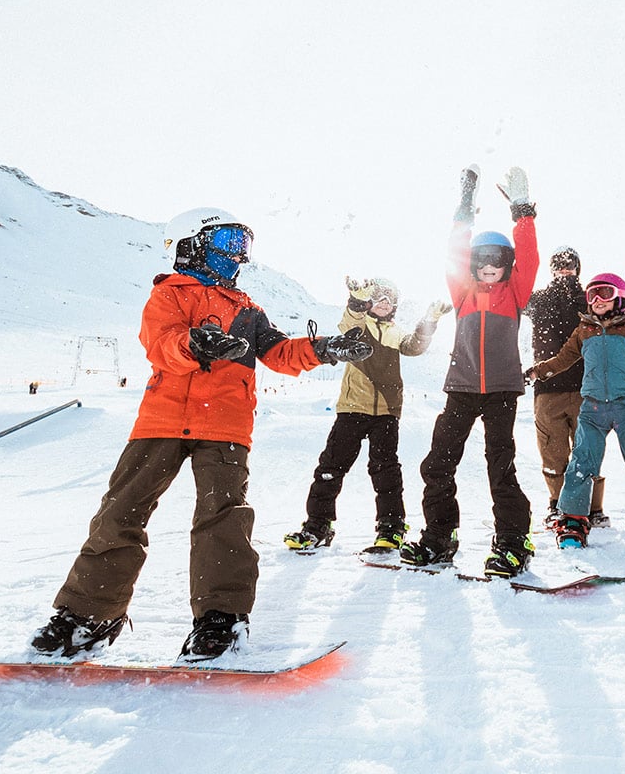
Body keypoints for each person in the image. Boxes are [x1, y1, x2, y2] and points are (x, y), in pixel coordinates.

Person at [30, 208, 373, 660]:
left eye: (243, 246)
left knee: (223, 517)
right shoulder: (168, 296)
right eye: (229, 242)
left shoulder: (248, 310)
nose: (238, 256)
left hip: (226, 425)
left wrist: (324, 348)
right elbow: (162, 343)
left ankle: (220, 618)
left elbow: (279, 353)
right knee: (120, 513)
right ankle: (88, 615)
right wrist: (195, 344)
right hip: (162, 421)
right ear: (191, 245)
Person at [399, 165, 540, 578]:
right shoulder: (462, 292)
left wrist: (522, 210)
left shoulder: (515, 292)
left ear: (507, 265)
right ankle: (440, 538)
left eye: (498, 260)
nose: (489, 266)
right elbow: (455, 250)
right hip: (461, 387)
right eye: (481, 260)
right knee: (438, 463)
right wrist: (464, 208)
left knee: (501, 466)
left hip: (501, 390)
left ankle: (513, 542)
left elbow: (529, 256)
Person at [284, 277, 452, 553]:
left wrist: (429, 320)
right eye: (379, 298)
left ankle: (391, 527)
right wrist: (356, 303)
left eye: (389, 300)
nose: (384, 303)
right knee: (331, 467)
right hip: (352, 407)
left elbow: (415, 346)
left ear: (395, 306)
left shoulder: (395, 332)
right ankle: (318, 525)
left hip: (386, 411)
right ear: (370, 302)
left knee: (385, 468)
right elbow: (348, 324)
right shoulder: (360, 326)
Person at [527, 272, 625, 548]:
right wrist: (538, 372)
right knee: (582, 462)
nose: (597, 300)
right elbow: (562, 360)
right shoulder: (583, 331)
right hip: (592, 410)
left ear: (620, 298)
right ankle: (573, 519)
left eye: (605, 294)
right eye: (592, 295)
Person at [524, 246, 608, 528]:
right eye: (559, 265)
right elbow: (512, 291)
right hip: (548, 389)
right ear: (551, 269)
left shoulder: (589, 299)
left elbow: (619, 298)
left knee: (588, 450)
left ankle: (593, 509)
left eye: (569, 265)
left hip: (587, 387)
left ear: (577, 268)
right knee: (553, 451)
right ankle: (557, 505)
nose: (564, 270)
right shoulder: (538, 300)